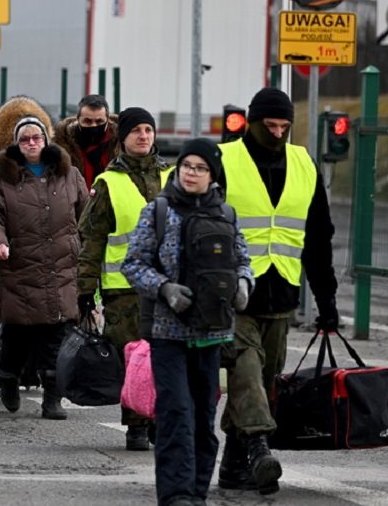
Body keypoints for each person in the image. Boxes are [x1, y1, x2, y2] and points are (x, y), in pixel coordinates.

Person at [215, 87, 340, 495]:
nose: (278, 133)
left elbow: (319, 238)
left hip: (281, 292)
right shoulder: (225, 160)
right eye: (269, 126)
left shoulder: (304, 164)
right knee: (246, 369)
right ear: (251, 123)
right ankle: (258, 449)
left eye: (285, 126)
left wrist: (326, 300)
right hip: (233, 294)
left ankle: (235, 466)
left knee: (263, 382)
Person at [122, 138, 253, 506]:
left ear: (213, 175)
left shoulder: (225, 214)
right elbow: (133, 264)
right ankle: (176, 496)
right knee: (176, 414)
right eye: (186, 167)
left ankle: (196, 493)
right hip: (169, 334)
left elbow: (243, 260)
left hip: (213, 332)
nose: (191, 174)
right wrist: (164, 289)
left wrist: (244, 284)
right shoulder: (159, 211)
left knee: (203, 420)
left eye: (200, 168)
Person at [0, 98, 88, 419]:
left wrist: (86, 248)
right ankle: (7, 374)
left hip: (61, 269)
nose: (31, 144)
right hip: (20, 269)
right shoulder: (4, 178)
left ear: (46, 140)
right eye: (24, 139)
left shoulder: (70, 175)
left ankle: (52, 398)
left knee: (56, 339)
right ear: (16, 143)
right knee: (17, 339)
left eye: (36, 138)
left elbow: (86, 216)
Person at [77, 107, 171, 450]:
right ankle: (136, 423)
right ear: (122, 138)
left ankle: (161, 418)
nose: (143, 136)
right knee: (133, 357)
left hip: (168, 288)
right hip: (123, 289)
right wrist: (85, 289)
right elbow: (92, 240)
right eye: (136, 131)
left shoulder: (173, 177)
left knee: (167, 355)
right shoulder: (107, 183)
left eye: (148, 130)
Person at [53, 94, 119, 188]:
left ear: (107, 120)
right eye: (87, 121)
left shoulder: (121, 144)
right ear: (78, 119)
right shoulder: (62, 145)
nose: (93, 126)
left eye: (99, 121)